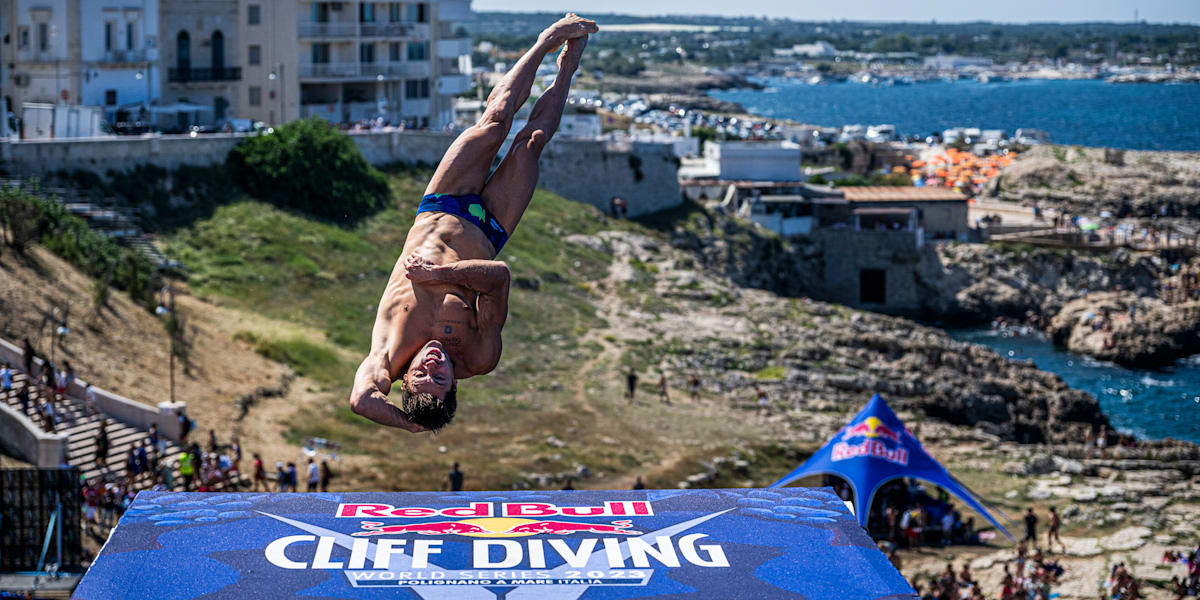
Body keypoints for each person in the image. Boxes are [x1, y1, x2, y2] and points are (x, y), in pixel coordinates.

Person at [349, 14, 598, 434]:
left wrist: (415, 426)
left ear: (403, 382)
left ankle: (544, 42)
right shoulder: (480, 355)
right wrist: (439, 275)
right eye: (440, 378)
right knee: (530, 145)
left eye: (422, 376)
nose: (431, 365)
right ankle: (567, 67)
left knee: (496, 120)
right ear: (455, 384)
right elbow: (498, 278)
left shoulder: (387, 356)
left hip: (440, 207)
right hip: (488, 229)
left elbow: (360, 401)